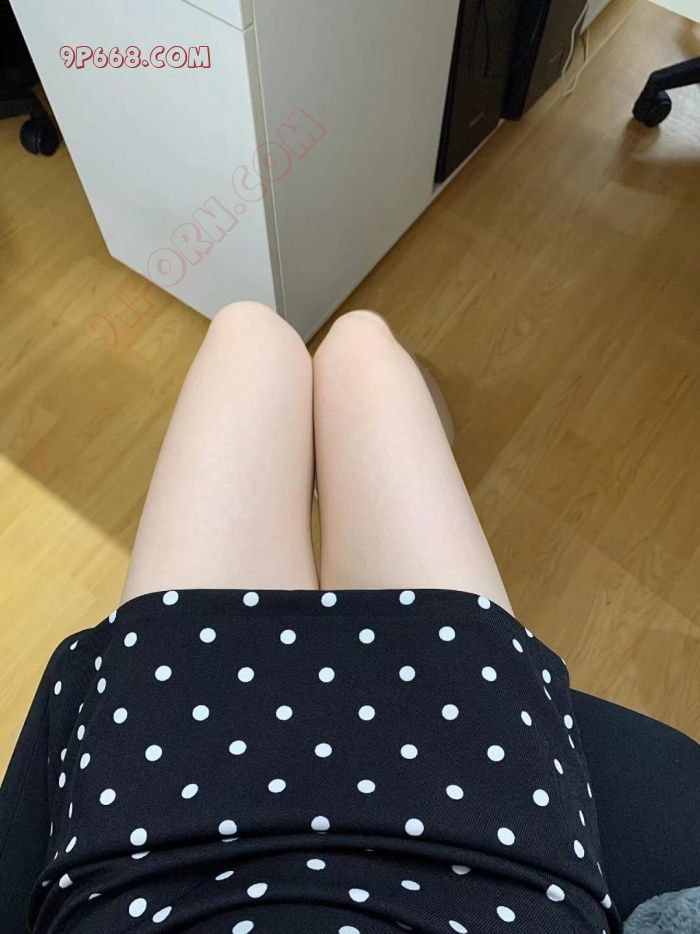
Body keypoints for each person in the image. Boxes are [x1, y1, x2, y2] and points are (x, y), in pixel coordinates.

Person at [1, 303, 697, 933]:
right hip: (482, 872)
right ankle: (405, 434)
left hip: (157, 871)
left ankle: (391, 439)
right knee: (356, 348)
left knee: (252, 336)